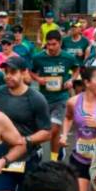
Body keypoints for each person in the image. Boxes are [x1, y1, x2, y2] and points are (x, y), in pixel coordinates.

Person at [0, 56, 52, 191]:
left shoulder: (36, 98)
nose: (8, 76)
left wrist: (25, 141)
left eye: (13, 72)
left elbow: (46, 132)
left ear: (24, 72)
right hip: (4, 157)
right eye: (6, 72)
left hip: (28, 158)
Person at [30, 30, 79, 161]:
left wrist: (71, 80)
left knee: (54, 128)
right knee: (50, 130)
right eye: (48, 44)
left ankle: (52, 159)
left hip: (61, 98)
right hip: (43, 98)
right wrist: (38, 79)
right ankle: (56, 154)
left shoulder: (68, 57)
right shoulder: (38, 57)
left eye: (54, 44)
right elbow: (32, 72)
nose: (50, 47)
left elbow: (76, 69)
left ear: (60, 43)